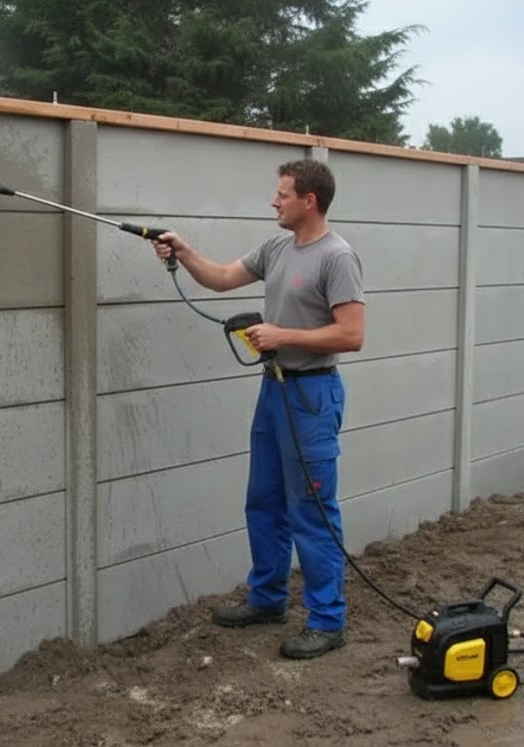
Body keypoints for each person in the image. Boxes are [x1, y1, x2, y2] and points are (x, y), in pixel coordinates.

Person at [152, 158, 365, 660]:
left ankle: (328, 621)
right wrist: (181, 250)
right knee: (264, 501)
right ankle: (268, 599)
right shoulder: (277, 248)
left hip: (312, 395)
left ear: (308, 200)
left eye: (282, 194)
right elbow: (222, 278)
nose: (274, 201)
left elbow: (352, 334)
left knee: (312, 510)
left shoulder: (338, 257)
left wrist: (283, 334)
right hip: (274, 390)